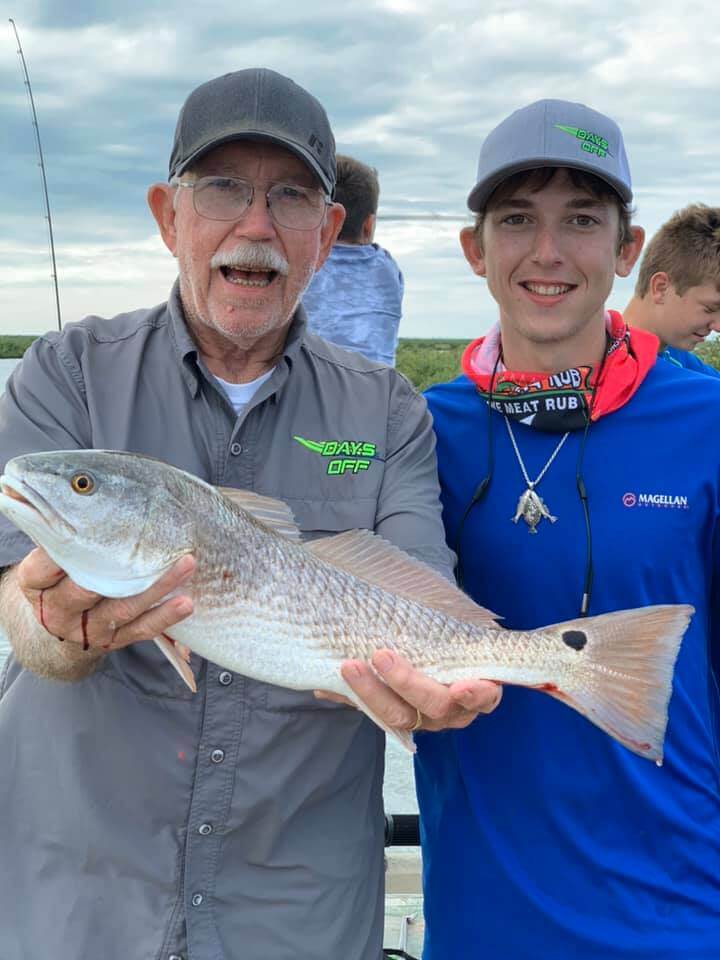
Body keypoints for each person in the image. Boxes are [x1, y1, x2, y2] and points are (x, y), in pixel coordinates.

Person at [0, 69, 498, 960]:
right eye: (223, 188)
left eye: (291, 197)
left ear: (327, 234)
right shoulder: (65, 371)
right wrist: (53, 633)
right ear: (169, 217)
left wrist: (433, 683)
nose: (257, 225)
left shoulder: (388, 410)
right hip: (78, 901)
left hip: (295, 912)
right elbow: (18, 606)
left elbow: (419, 585)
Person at [416, 99, 720, 958]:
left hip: (680, 915)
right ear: (475, 250)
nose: (547, 252)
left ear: (628, 250)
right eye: (517, 219)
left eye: (582, 219)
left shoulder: (708, 422)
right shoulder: (418, 430)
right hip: (477, 923)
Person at [302, 154, 403, 365]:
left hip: (309, 381)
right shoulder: (387, 268)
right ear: (368, 225)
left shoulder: (302, 266)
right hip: (380, 383)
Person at [624, 203, 720, 376]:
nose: (718, 326)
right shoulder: (607, 371)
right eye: (710, 309)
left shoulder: (677, 356)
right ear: (660, 288)